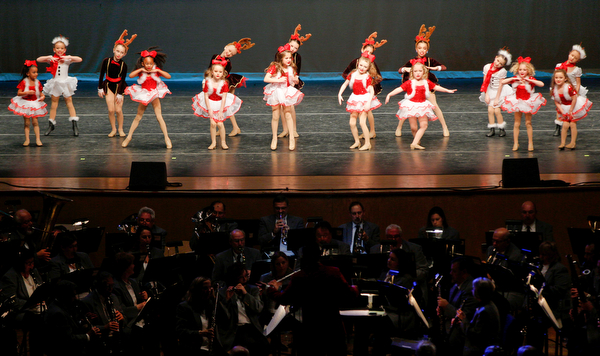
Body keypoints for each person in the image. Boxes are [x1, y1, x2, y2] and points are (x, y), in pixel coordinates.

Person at [268, 242, 358, 356]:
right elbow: (350, 294)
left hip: (310, 330)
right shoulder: (333, 272)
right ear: (320, 255)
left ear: (303, 258)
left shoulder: (299, 277)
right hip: (333, 328)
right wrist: (356, 288)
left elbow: (284, 299)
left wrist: (270, 290)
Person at [386, 62, 456, 150]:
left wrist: (447, 90)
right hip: (411, 106)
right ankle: (416, 140)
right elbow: (399, 89)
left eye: (420, 71)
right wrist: (389, 95)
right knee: (413, 128)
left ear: (423, 72)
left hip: (423, 105)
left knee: (424, 125)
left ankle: (414, 143)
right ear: (412, 72)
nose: (418, 73)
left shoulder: (426, 82)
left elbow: (436, 87)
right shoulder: (409, 83)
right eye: (415, 71)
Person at [397, 25, 450, 137]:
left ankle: (445, 127)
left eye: (424, 48)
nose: (422, 50)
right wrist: (404, 69)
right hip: (414, 88)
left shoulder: (430, 61)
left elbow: (443, 67)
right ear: (416, 49)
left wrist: (437, 68)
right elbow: (399, 70)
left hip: (427, 87)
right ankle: (399, 127)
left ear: (427, 50)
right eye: (420, 48)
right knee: (407, 108)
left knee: (435, 106)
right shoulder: (412, 61)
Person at [122, 47, 172, 148]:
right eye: (147, 64)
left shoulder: (155, 70)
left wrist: (158, 70)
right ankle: (129, 137)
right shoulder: (141, 71)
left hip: (154, 93)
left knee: (159, 117)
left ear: (153, 64)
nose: (149, 66)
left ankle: (167, 137)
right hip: (144, 94)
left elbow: (168, 76)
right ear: (143, 64)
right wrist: (141, 69)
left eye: (151, 64)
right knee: (138, 116)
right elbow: (131, 76)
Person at [341, 32, 387, 140]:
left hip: (367, 90)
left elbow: (379, 77)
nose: (368, 53)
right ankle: (368, 132)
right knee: (362, 112)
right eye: (367, 51)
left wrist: (368, 83)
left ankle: (372, 131)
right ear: (362, 49)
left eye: (371, 52)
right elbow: (345, 73)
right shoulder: (356, 62)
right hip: (358, 90)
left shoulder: (371, 64)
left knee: (367, 110)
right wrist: (354, 80)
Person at [0, 248, 45, 356]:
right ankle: (36, 352)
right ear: (20, 263)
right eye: (28, 263)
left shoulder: (33, 271)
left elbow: (41, 287)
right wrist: (29, 304)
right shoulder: (10, 276)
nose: (31, 266)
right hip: (19, 312)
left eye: (32, 262)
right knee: (37, 321)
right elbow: (11, 300)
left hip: (37, 307)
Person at [216, 263, 269, 354]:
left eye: (246, 276)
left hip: (251, 326)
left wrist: (246, 294)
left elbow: (258, 308)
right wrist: (227, 300)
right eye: (241, 277)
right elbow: (222, 318)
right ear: (234, 278)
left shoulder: (252, 289)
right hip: (234, 329)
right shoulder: (222, 292)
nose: (245, 279)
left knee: (264, 346)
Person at [36, 35, 82, 136]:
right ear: (54, 49)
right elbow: (38, 59)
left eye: (62, 48)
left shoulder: (67, 59)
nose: (59, 50)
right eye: (57, 48)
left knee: (69, 102)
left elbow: (79, 59)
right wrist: (48, 57)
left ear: (65, 49)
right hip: (56, 83)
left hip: (65, 82)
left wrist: (68, 57)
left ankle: (74, 125)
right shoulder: (52, 59)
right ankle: (51, 124)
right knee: (54, 104)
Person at [209, 38, 255, 137]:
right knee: (218, 105)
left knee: (226, 105)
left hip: (226, 83)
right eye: (229, 51)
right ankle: (221, 127)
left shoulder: (228, 62)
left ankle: (235, 127)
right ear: (225, 47)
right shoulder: (215, 56)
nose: (229, 53)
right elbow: (210, 69)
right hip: (215, 82)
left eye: (232, 54)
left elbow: (223, 74)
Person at [193, 59, 243, 150]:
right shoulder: (208, 82)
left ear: (223, 73)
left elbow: (224, 98)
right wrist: (209, 109)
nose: (218, 74)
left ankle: (223, 142)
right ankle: (213, 143)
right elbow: (206, 96)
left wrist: (221, 111)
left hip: (220, 104)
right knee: (212, 123)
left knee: (220, 124)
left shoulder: (224, 83)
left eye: (220, 72)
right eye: (216, 71)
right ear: (212, 72)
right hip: (210, 103)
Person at [264, 43, 305, 151]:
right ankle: (274, 138)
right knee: (275, 115)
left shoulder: (291, 68)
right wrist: (277, 80)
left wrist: (295, 80)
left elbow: (294, 78)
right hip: (276, 91)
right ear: (281, 59)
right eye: (286, 58)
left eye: (290, 58)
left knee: (288, 114)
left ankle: (291, 137)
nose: (289, 60)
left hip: (286, 92)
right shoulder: (275, 67)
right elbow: (266, 78)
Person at [500, 56, 546, 151]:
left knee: (528, 123)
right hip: (517, 102)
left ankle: (530, 143)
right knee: (517, 123)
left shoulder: (530, 79)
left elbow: (541, 84)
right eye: (520, 69)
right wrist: (513, 79)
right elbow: (503, 82)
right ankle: (516, 143)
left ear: (528, 71)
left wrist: (530, 80)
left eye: (524, 70)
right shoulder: (516, 78)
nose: (522, 71)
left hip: (528, 102)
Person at [43, 280, 100, 356]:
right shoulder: (57, 313)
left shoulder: (62, 306)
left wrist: (85, 321)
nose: (75, 298)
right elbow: (68, 340)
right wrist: (88, 335)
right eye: (73, 295)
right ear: (64, 296)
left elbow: (72, 326)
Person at [338, 53, 382, 151]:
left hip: (364, 99)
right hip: (355, 98)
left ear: (368, 68)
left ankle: (367, 143)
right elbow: (345, 84)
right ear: (358, 63)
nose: (362, 68)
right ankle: (357, 141)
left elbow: (371, 91)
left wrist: (368, 102)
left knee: (362, 122)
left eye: (365, 66)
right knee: (352, 123)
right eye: (361, 65)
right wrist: (339, 94)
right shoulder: (352, 74)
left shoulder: (367, 77)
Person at [98, 30, 137, 138]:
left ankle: (120, 128)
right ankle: (113, 129)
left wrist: (120, 93)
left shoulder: (124, 65)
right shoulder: (106, 61)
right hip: (108, 85)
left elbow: (123, 78)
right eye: (118, 51)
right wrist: (100, 88)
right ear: (114, 50)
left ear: (124, 54)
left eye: (121, 52)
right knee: (111, 109)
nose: (119, 54)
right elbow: (102, 74)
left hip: (119, 86)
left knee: (118, 110)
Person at [81, 271, 128, 355]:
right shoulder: (87, 302)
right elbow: (86, 328)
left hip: (116, 340)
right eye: (107, 286)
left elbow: (124, 319)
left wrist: (122, 318)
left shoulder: (113, 297)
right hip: (100, 344)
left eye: (112, 285)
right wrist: (105, 327)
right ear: (99, 285)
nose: (111, 289)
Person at [277, 24, 311, 139]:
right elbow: (277, 67)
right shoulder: (281, 54)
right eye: (291, 46)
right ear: (288, 44)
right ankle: (285, 129)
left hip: (291, 82)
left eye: (295, 48)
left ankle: (294, 129)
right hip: (281, 82)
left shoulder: (297, 57)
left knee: (290, 107)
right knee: (282, 106)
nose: (292, 49)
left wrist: (294, 81)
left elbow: (297, 71)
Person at [437, 257, 478, 353]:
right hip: (451, 324)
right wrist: (442, 309)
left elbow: (464, 316)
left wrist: (446, 306)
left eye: (454, 271)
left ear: (464, 272)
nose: (450, 274)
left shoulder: (471, 289)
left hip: (461, 331)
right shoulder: (457, 284)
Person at [455, 277, 501, 356]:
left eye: (473, 289)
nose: (472, 290)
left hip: (479, 349)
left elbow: (474, 335)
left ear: (478, 292)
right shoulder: (488, 304)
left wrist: (463, 320)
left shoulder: (484, 311)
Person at [551, 68, 592, 150]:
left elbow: (574, 98)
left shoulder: (568, 87)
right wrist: (562, 111)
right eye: (556, 78)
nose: (558, 80)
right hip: (564, 107)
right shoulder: (554, 89)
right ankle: (562, 143)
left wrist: (571, 110)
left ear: (565, 78)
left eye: (560, 78)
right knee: (565, 125)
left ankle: (573, 143)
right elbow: (557, 102)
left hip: (573, 106)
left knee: (572, 124)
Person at [8, 60, 47, 147]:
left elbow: (41, 93)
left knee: (35, 122)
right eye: (34, 72)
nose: (36, 74)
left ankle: (38, 139)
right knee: (27, 123)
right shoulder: (24, 82)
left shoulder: (37, 82)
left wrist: (43, 96)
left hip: (35, 103)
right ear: (28, 74)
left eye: (37, 72)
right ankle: (27, 139)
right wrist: (27, 92)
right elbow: (19, 93)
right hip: (25, 103)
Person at [176, 276, 218, 355]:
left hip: (210, 350)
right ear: (196, 290)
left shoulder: (210, 306)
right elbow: (180, 332)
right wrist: (201, 333)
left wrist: (215, 298)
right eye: (205, 288)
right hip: (193, 350)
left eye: (210, 288)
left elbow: (227, 317)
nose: (209, 291)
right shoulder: (184, 307)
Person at [553, 44, 588, 136]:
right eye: (572, 55)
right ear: (569, 54)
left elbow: (578, 83)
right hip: (561, 89)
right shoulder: (560, 65)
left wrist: (575, 93)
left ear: (578, 60)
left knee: (570, 109)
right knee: (559, 108)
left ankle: (568, 126)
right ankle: (558, 127)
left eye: (575, 58)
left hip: (571, 90)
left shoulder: (577, 69)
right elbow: (556, 78)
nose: (572, 58)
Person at [480, 49, 513, 138]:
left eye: (501, 64)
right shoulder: (487, 67)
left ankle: (502, 129)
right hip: (490, 90)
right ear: (495, 58)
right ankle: (492, 129)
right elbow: (485, 81)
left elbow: (500, 85)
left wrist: (497, 98)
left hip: (499, 92)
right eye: (497, 61)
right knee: (490, 110)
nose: (498, 64)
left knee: (497, 111)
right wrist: (486, 94)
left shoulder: (502, 71)